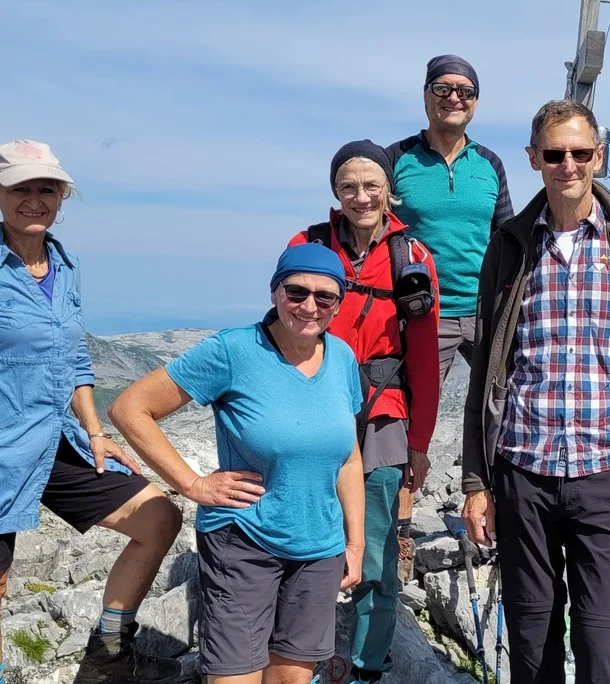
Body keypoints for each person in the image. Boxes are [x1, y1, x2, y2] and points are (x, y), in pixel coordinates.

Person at [460, 99, 610, 684]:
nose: (569, 165)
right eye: (555, 154)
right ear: (534, 159)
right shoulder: (509, 243)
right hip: (523, 470)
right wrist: (478, 482)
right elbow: (486, 372)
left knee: (600, 638)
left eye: (581, 153)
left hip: (609, 467)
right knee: (532, 635)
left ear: (599, 157)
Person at [108, 244, 367, 684]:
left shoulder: (341, 357)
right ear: (274, 293)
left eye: (325, 297)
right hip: (244, 540)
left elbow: (349, 457)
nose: (309, 306)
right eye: (296, 292)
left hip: (319, 548)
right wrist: (192, 485)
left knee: (292, 678)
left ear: (339, 303)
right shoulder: (234, 350)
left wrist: (356, 543)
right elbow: (131, 408)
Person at [0, 139, 183, 684]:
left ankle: (106, 659)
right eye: (20, 188)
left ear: (61, 197)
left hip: (56, 439)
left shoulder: (62, 262)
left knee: (159, 518)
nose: (35, 199)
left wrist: (95, 429)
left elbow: (74, 355)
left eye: (47, 189)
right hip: (6, 445)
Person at [286, 141, 440, 684]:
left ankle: (367, 666)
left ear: (388, 190)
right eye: (348, 185)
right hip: (312, 411)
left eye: (371, 185)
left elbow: (423, 359)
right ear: (335, 191)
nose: (361, 196)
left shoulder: (413, 259)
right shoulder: (307, 244)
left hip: (381, 416)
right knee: (305, 541)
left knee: (375, 551)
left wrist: (419, 443)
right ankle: (300, 657)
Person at [385, 54, 513, 583]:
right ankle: (400, 531)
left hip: (484, 309)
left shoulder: (491, 164)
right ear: (426, 95)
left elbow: (506, 233)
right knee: (410, 414)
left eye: (465, 90)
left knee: (500, 406)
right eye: (443, 87)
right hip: (422, 312)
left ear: (476, 102)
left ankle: (497, 514)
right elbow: (378, 228)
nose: (454, 96)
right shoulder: (397, 158)